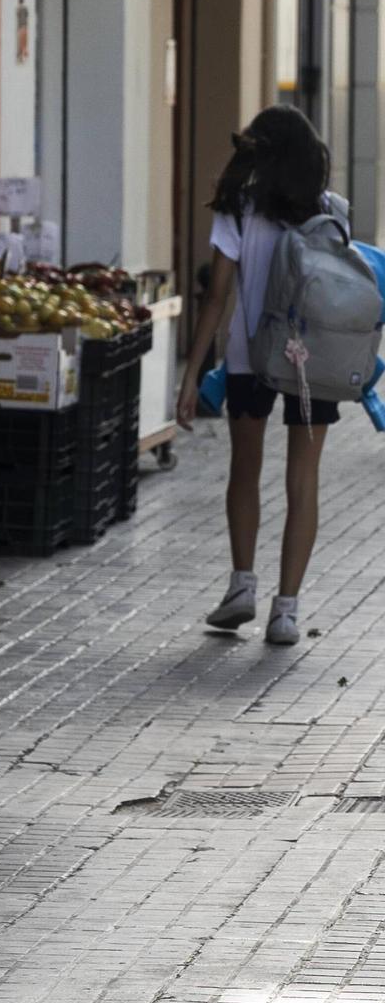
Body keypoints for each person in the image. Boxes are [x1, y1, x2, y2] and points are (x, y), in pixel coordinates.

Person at [176, 105, 339, 647]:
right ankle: (286, 611)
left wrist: (191, 374)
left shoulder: (238, 209)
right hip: (313, 364)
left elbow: (216, 298)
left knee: (244, 471)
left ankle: (242, 586)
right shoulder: (330, 210)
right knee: (303, 481)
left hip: (251, 359)